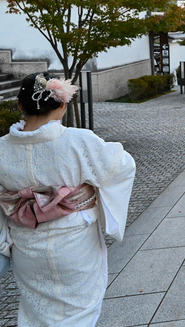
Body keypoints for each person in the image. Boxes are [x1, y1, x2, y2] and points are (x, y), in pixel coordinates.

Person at [0, 73, 136, 326]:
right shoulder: (78, 140)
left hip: (26, 246)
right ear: (63, 105)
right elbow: (121, 166)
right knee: (79, 312)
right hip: (74, 243)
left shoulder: (1, 148)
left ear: (20, 106)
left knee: (35, 312)